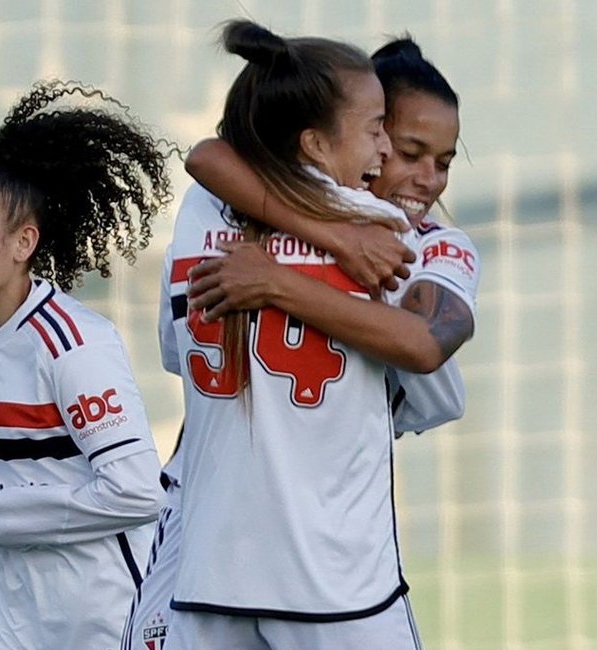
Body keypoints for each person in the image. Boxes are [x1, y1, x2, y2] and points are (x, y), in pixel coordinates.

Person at [121, 35, 475, 650]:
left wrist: (279, 279)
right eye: (397, 144)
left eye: (442, 162)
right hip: (327, 568)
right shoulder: (389, 234)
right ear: (326, 133)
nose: (421, 176)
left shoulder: (207, 207)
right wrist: (329, 244)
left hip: (208, 551)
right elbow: (424, 360)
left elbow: (206, 157)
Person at [0, 80, 171, 649]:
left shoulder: (73, 344)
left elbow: (137, 494)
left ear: (24, 243)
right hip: (8, 609)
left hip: (105, 614)